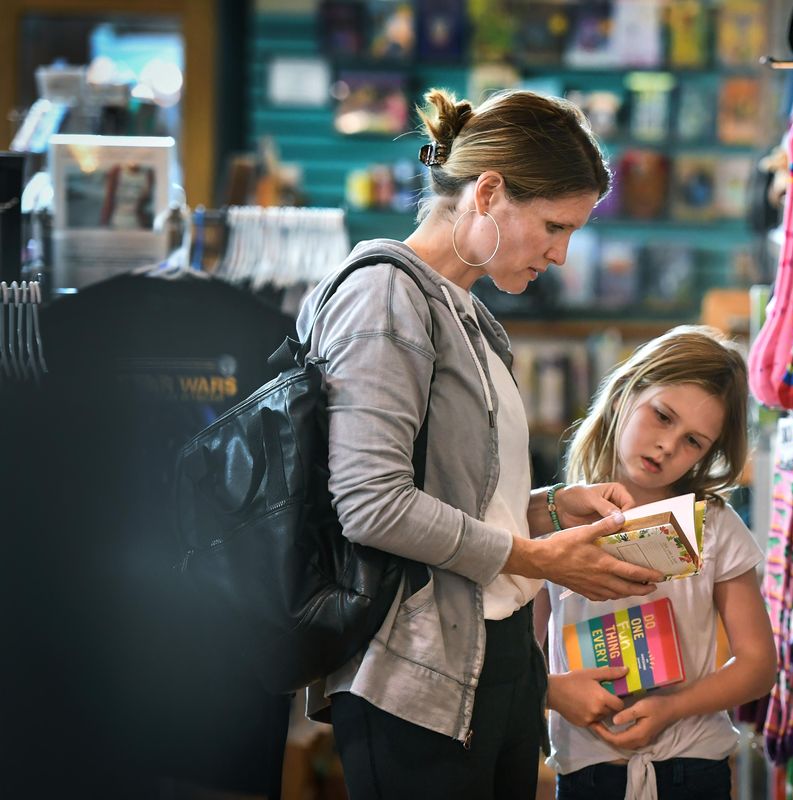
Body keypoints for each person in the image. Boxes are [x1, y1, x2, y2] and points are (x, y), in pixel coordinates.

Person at [299, 88, 663, 800]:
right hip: (412, 676)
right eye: (555, 226)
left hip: (494, 661)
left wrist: (554, 507)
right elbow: (372, 505)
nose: (560, 255)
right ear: (489, 192)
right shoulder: (385, 297)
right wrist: (535, 557)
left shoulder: (467, 311)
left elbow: (458, 502)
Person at [544, 326, 778, 800]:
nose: (669, 446)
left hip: (693, 768)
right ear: (624, 394)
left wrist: (673, 710)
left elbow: (758, 664)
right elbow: (522, 654)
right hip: (587, 769)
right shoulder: (552, 519)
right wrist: (552, 690)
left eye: (694, 441)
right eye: (662, 416)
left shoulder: (714, 524)